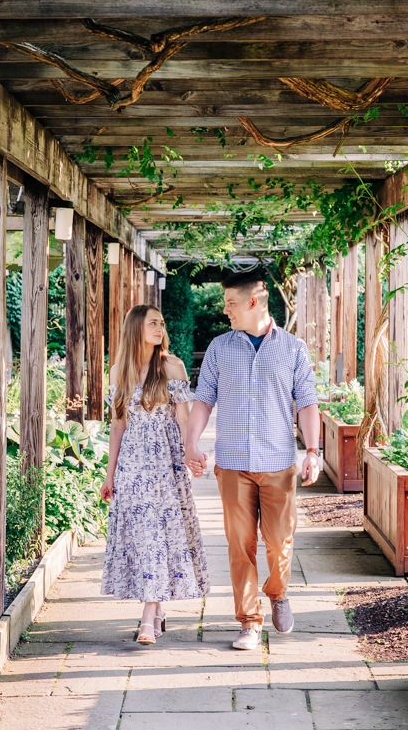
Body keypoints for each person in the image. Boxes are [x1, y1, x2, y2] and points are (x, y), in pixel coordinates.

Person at [185, 270, 321, 651]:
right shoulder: (219, 349)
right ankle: (249, 621)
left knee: (279, 543)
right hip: (232, 464)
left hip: (279, 463)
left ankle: (278, 592)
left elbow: (307, 403)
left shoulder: (293, 348)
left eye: (230, 303)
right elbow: (203, 401)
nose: (225, 310)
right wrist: (191, 444)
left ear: (253, 302)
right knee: (239, 545)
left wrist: (312, 452)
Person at [99, 304, 209, 645]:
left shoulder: (172, 366)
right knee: (145, 536)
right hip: (132, 465)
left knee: (161, 535)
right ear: (136, 328)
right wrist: (109, 475)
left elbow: (184, 418)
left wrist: (191, 452)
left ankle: (148, 616)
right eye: (152, 323)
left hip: (166, 463)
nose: (160, 328)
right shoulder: (119, 371)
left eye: (161, 322)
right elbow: (118, 426)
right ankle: (156, 609)